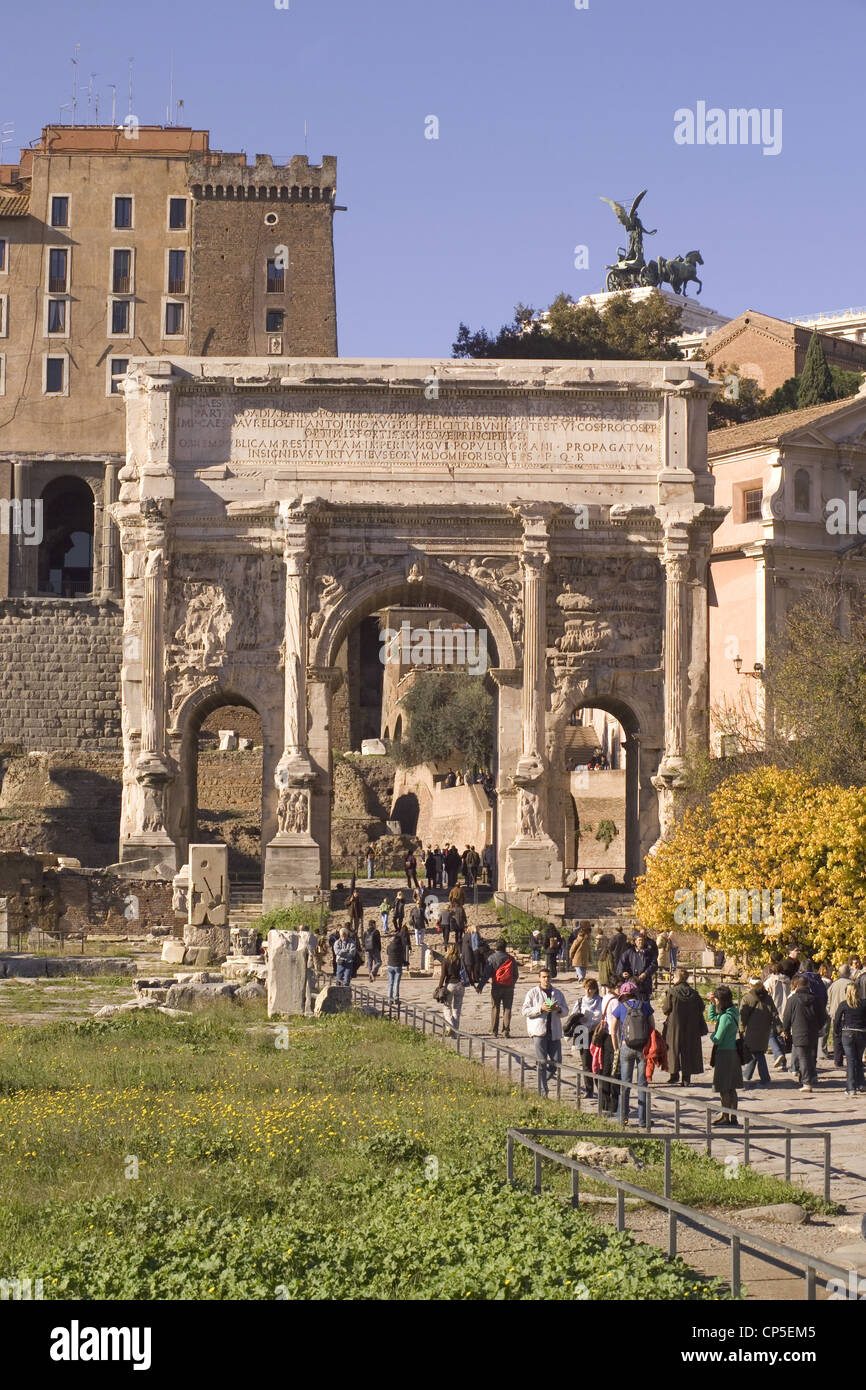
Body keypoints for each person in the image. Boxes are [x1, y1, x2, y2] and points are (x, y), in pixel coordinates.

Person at [610, 981, 654, 1127]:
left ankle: (622, 1119)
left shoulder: (620, 1007)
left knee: (625, 1083)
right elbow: (652, 1026)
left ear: (623, 994)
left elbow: (613, 1029)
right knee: (642, 1084)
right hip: (643, 1049)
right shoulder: (645, 1006)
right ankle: (643, 1120)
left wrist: (617, 1047)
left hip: (626, 1047)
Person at [522, 967, 568, 1097]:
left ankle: (542, 1081)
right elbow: (525, 1011)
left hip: (554, 1032)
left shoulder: (557, 993)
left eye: (548, 977)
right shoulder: (532, 993)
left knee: (556, 1062)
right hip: (539, 1032)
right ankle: (543, 1091)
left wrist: (558, 1009)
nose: (546, 979)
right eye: (543, 977)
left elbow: (566, 1010)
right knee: (541, 1062)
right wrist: (540, 1008)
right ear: (539, 978)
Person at [661, 967, 706, 1086]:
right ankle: (686, 1078)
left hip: (674, 1026)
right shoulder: (694, 993)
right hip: (691, 1027)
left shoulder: (672, 992)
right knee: (688, 1050)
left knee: (673, 1050)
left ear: (678, 978)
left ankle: (674, 1075)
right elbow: (701, 1007)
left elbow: (666, 1009)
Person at [781, 974, 826, 1093]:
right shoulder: (816, 999)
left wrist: (785, 1030)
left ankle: (806, 1082)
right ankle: (811, 1077)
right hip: (813, 1031)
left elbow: (787, 1017)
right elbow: (823, 1016)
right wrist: (818, 1026)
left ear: (797, 986)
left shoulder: (792, 1000)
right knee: (811, 1056)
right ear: (808, 985)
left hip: (799, 1031)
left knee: (803, 1057)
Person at [707, 986, 742, 1125]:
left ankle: (726, 1116)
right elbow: (713, 1017)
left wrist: (712, 1037)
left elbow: (717, 1038)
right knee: (732, 1087)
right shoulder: (733, 1012)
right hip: (733, 1052)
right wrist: (711, 1004)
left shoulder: (725, 1018)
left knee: (724, 1087)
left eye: (716, 999)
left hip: (724, 1054)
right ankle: (733, 1116)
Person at [739, 975, 779, 1087]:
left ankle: (764, 1078)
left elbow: (743, 1015)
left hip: (751, 1031)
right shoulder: (768, 998)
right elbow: (774, 1014)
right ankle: (747, 1075)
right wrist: (779, 1028)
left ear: (750, 985)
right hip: (765, 1030)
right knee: (757, 1052)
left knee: (756, 1053)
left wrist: (741, 1029)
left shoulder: (747, 998)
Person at [570, 977, 603, 1097]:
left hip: (597, 1033)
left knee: (598, 1062)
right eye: (586, 989)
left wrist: (598, 1025)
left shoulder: (601, 1001)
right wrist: (578, 1017)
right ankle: (589, 1090)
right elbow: (572, 1016)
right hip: (582, 1032)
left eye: (591, 989)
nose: (588, 991)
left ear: (595, 990)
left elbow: (604, 1017)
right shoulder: (580, 1001)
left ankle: (600, 1089)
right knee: (585, 1063)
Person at [834, 984, 866, 1095]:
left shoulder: (844, 1004)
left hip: (847, 1033)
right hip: (861, 1033)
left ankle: (851, 1087)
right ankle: (861, 1084)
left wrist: (837, 1032)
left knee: (851, 1060)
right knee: (858, 1059)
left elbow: (837, 1020)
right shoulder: (864, 1003)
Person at [485, 937, 519, 1037]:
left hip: (496, 986)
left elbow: (486, 973)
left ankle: (494, 1030)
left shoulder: (491, 958)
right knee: (507, 1008)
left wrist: (481, 985)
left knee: (495, 1007)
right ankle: (506, 1030)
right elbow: (515, 974)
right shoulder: (511, 958)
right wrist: (512, 983)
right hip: (508, 987)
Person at [764, 957, 791, 1071]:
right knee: (781, 1036)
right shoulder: (788, 981)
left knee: (770, 1035)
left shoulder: (770, 981)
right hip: (785, 1011)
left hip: (773, 1011)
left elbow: (765, 996)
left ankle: (778, 1053)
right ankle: (783, 1063)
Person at [616, 930, 658, 999]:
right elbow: (621, 964)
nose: (640, 942)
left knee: (644, 1004)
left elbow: (654, 965)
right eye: (639, 940)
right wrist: (622, 973)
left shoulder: (649, 953)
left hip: (644, 984)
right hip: (631, 983)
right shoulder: (629, 953)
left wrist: (646, 973)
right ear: (635, 941)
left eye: (642, 940)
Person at [436, 943, 465, 1036]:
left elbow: (443, 975)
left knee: (447, 1007)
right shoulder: (460, 960)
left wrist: (439, 986)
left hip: (450, 985)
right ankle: (455, 1030)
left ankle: (451, 1025)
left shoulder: (446, 960)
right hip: (460, 985)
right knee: (457, 1008)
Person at [827, 964, 851, 1056]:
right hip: (848, 1015)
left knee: (836, 1036)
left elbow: (828, 1000)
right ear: (848, 972)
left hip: (835, 1014)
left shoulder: (833, 985)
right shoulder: (851, 984)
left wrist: (829, 1011)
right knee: (848, 1037)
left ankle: (838, 1059)